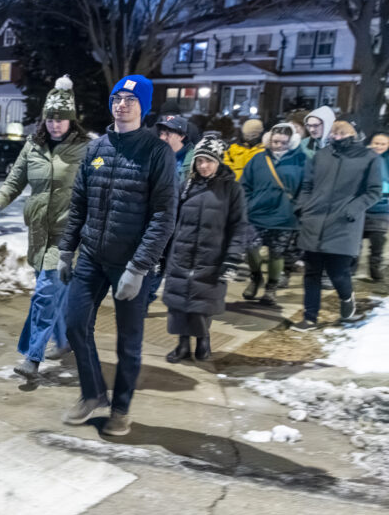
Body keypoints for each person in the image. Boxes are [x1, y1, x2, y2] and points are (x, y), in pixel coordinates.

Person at [57, 75, 176, 436]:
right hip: (92, 254)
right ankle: (93, 393)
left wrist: (140, 267)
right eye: (117, 98)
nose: (121, 104)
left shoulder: (158, 153)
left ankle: (121, 408)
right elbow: (79, 203)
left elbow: (163, 215)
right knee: (74, 322)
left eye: (130, 99)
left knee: (129, 340)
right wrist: (67, 249)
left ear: (144, 106)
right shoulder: (96, 150)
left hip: (132, 261)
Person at [0, 75, 90, 377]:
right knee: (57, 294)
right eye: (51, 118)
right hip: (39, 234)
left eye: (62, 119)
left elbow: (98, 189)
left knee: (44, 295)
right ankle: (65, 340)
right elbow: (14, 182)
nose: (56, 124)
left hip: (69, 237)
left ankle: (32, 356)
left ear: (71, 120)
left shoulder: (86, 149)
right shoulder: (33, 146)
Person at [163, 137, 249, 362]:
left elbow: (239, 226)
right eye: (199, 161)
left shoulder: (232, 189)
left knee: (202, 304)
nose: (203, 166)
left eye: (209, 161)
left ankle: (203, 341)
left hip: (211, 256)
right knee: (178, 303)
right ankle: (182, 345)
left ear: (218, 162)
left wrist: (232, 258)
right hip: (181, 254)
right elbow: (171, 221)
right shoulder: (186, 186)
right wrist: (160, 254)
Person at [291, 120, 382, 330]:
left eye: (341, 133)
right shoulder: (322, 155)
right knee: (312, 273)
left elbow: (374, 191)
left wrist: (352, 209)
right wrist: (302, 208)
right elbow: (307, 185)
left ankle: (346, 300)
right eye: (333, 132)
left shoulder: (369, 158)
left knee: (338, 273)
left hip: (343, 224)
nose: (336, 136)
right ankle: (310, 317)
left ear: (352, 134)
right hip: (314, 221)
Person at [240, 123, 307, 305]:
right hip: (257, 214)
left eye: (283, 143)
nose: (278, 145)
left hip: (284, 216)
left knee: (276, 254)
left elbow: (307, 187)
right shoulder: (258, 159)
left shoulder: (302, 161)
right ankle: (255, 278)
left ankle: (271, 288)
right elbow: (245, 185)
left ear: (291, 142)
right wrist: (246, 206)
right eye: (275, 141)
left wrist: (298, 208)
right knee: (251, 249)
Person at [144, 113, 195, 305]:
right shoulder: (155, 154)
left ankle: (148, 298)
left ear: (181, 136)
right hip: (154, 216)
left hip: (178, 221)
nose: (163, 138)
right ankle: (144, 297)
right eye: (162, 133)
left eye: (169, 134)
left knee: (164, 261)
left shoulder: (193, 161)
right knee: (152, 259)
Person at [357, 132, 389, 281]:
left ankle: (375, 268)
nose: (379, 146)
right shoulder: (362, 157)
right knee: (356, 241)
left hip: (382, 207)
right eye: (376, 143)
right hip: (362, 206)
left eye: (383, 144)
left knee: (378, 240)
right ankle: (351, 268)